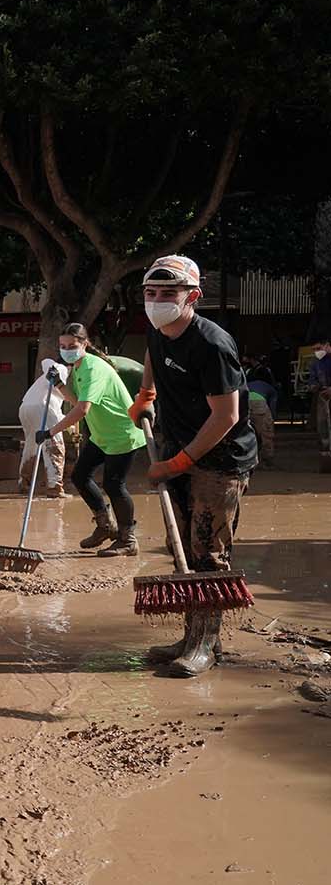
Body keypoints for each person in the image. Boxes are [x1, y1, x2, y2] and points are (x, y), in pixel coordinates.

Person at [130, 255, 257, 678]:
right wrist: (146, 394)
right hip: (179, 445)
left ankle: (205, 645)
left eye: (169, 293)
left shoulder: (212, 344)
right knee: (180, 546)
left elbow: (226, 417)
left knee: (208, 553)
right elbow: (152, 352)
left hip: (220, 459)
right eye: (151, 293)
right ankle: (192, 636)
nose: (158, 301)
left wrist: (178, 463)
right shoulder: (157, 329)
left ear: (193, 297)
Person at [39, 324, 148, 556]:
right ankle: (105, 526)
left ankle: (128, 540)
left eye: (72, 346)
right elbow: (76, 400)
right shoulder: (79, 367)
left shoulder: (93, 368)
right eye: (62, 346)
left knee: (114, 485)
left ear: (84, 344)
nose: (66, 350)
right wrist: (57, 383)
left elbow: (82, 410)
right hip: (102, 436)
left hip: (121, 435)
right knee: (79, 476)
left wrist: (51, 432)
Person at [17, 358, 68, 499]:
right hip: (43, 407)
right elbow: (48, 362)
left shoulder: (42, 379)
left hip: (25, 407)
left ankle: (24, 483)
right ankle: (54, 487)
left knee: (31, 445)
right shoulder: (62, 368)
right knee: (54, 446)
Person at [310, 337, 331, 456]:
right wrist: (313, 386)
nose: (316, 352)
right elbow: (312, 379)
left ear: (327, 345)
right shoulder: (315, 362)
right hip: (322, 394)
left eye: (318, 348)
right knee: (322, 422)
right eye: (314, 349)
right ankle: (326, 448)